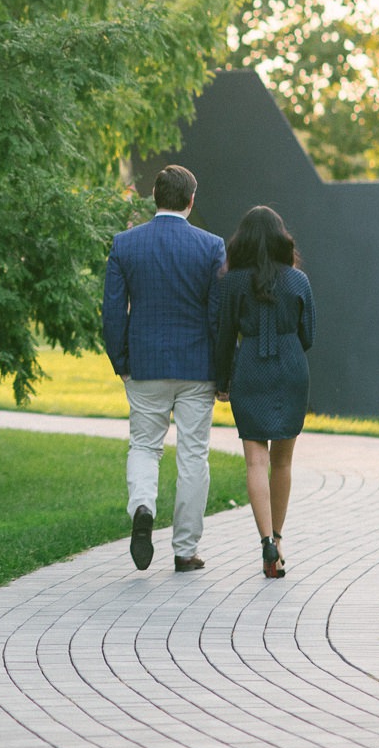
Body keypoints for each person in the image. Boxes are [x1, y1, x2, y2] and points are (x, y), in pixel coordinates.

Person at [102, 164, 227, 572]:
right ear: (192, 200)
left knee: (144, 446)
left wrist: (121, 361)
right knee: (193, 456)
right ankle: (185, 549)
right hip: (196, 367)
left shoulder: (125, 245)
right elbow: (217, 316)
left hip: (145, 363)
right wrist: (221, 372)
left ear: (155, 196)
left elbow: (112, 313)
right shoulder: (211, 247)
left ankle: (142, 506)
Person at [213, 205, 315, 580]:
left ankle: (265, 542)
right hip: (290, 370)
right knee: (282, 462)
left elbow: (224, 336)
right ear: (280, 239)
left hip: (250, 370)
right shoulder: (298, 281)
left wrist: (221, 381)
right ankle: (280, 539)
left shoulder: (232, 283)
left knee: (255, 461)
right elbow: (309, 336)